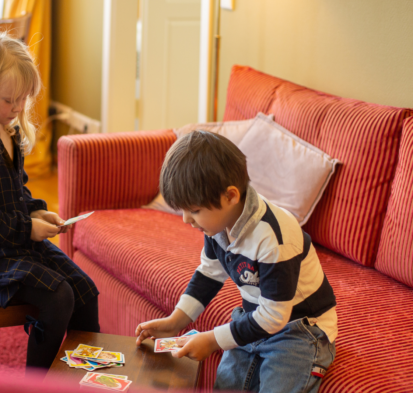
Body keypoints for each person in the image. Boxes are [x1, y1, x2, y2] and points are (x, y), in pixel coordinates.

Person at [0, 32, 100, 371]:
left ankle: (84, 375)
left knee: (85, 290)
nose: (17, 109)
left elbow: (17, 193)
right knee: (59, 297)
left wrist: (37, 211)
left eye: (23, 100)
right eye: (8, 100)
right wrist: (27, 228)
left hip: (13, 243)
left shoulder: (9, 131)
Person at [135, 131, 337, 392]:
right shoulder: (217, 226)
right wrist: (176, 321)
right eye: (183, 210)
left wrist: (212, 339)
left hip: (299, 330)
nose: (186, 219)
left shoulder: (274, 237)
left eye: (194, 210)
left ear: (230, 196)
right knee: (226, 385)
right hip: (255, 318)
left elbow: (275, 317)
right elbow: (208, 274)